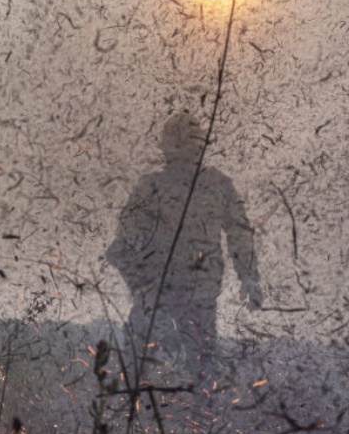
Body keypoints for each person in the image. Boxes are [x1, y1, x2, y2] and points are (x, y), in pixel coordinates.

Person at [106, 113, 261, 379]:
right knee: (139, 370)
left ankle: (197, 409)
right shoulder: (152, 187)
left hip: (193, 297)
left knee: (201, 372)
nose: (186, 157)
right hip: (159, 297)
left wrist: (249, 277)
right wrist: (142, 288)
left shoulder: (216, 185)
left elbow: (239, 232)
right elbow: (122, 246)